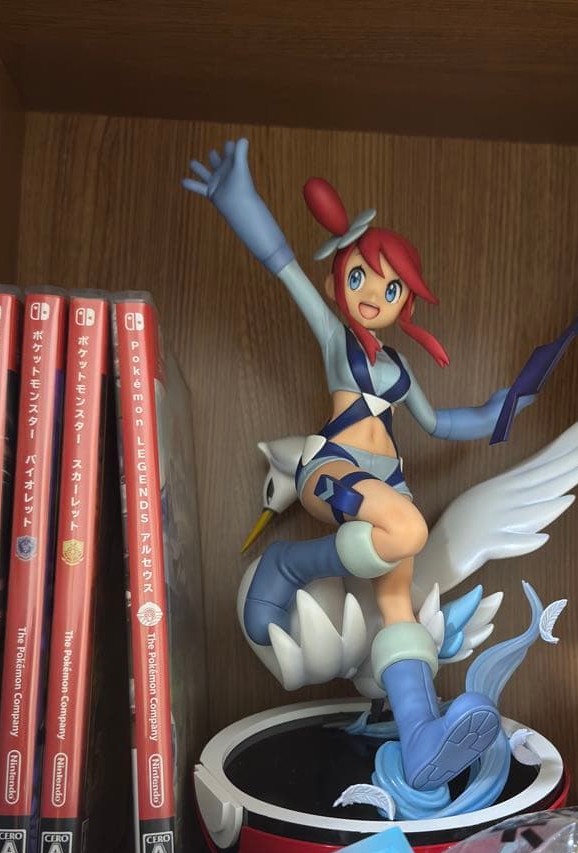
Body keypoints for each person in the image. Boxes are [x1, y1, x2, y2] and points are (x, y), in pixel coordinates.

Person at [183, 139, 532, 793]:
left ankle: (422, 740)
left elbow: (438, 424)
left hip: (386, 480)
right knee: (408, 530)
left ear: (406, 303)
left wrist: (497, 410)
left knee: (398, 606)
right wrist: (239, 201)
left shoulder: (399, 368)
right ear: (335, 283)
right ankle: (289, 564)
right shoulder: (335, 337)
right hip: (333, 465)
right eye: (359, 278)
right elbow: (282, 265)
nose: (374, 294)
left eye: (390, 286)